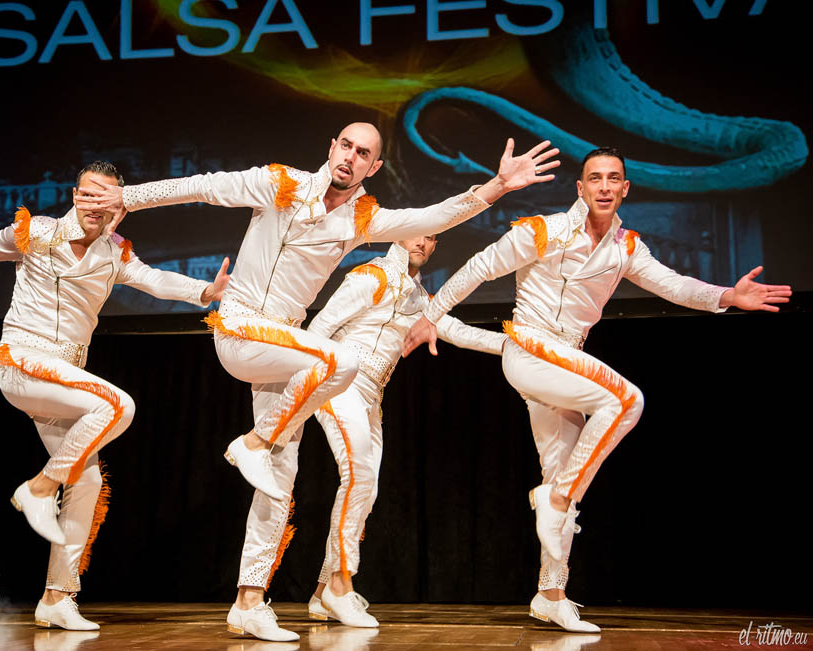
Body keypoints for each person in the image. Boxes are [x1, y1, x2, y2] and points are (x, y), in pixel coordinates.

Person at [79, 123, 559, 641]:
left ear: (374, 167)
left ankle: (248, 601)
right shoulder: (279, 183)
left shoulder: (361, 218)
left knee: (279, 480)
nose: (351, 157)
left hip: (281, 353)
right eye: (346, 146)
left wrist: (498, 186)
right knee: (341, 364)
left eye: (363, 153)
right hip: (239, 326)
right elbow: (201, 186)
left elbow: (432, 216)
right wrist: (127, 197)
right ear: (331, 148)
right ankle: (253, 444)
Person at [404, 148, 791, 632]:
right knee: (627, 400)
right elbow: (480, 267)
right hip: (533, 349)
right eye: (595, 178)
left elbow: (673, 285)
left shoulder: (625, 247)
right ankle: (556, 500)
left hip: (563, 366)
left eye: (613, 179)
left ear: (625, 188)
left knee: (563, 469)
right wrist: (430, 315)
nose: (604, 186)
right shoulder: (543, 231)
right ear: (580, 188)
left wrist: (727, 296)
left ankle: (550, 593)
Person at [0, 161, 229, 631]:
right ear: (74, 195)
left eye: (105, 197)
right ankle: (38, 488)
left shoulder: (114, 253)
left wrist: (206, 290)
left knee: (86, 480)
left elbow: (155, 280)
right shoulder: (37, 233)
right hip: (22, 363)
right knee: (118, 405)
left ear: (118, 204)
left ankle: (57, 596)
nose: (95, 205)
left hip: (63, 380)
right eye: (87, 194)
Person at [305, 234, 506, 627]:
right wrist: (306, 387)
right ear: (399, 232)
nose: (424, 242)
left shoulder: (418, 296)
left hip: (371, 396)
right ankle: (340, 586)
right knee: (358, 478)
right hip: (340, 383)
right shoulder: (370, 276)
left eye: (432, 237)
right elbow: (319, 328)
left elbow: (456, 330)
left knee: (366, 493)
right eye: (418, 232)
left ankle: (321, 594)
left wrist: (515, 346)